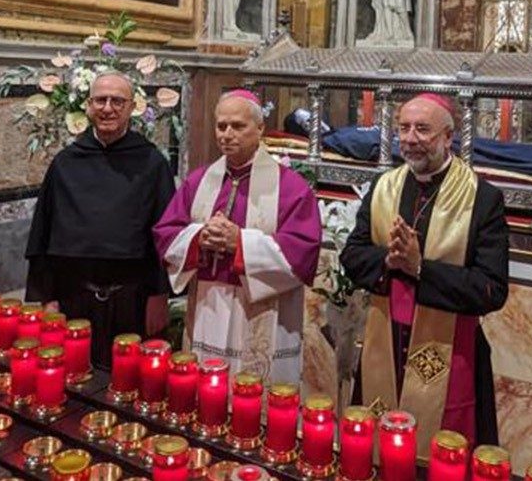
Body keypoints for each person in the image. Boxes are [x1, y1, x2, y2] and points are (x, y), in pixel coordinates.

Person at [340, 93, 509, 450]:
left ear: (448, 137)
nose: (410, 139)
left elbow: (492, 289)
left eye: (422, 129)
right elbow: (352, 257)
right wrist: (389, 260)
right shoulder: (383, 187)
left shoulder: (483, 199)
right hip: (383, 341)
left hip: (451, 351)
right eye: (403, 128)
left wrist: (420, 268)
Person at [154, 90, 320, 383]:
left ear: (260, 129)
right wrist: (198, 237)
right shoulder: (198, 180)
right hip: (209, 304)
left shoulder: (291, 187)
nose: (227, 134)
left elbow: (302, 253)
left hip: (263, 308)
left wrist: (239, 243)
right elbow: (166, 234)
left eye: (238, 126)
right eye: (221, 126)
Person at [25, 72, 174, 367]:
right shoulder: (65, 163)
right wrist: (47, 298)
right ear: (89, 106)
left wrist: (160, 296)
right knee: (73, 378)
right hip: (72, 297)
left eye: (117, 101)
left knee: (128, 383)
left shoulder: (153, 163)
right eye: (100, 100)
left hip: (133, 299)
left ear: (132, 107)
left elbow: (166, 234)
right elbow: (43, 231)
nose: (108, 108)